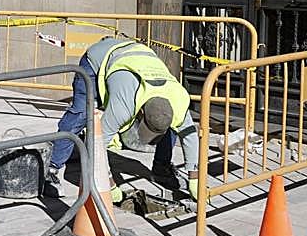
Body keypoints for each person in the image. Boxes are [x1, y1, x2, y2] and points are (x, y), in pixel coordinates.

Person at [46, 37, 199, 199]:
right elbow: (97, 142)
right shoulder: (124, 104)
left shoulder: (178, 100)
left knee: (167, 124)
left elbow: (190, 136)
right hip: (98, 60)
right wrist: (109, 185)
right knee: (81, 114)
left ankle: (161, 168)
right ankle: (52, 168)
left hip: (135, 58)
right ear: (140, 113)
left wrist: (194, 178)